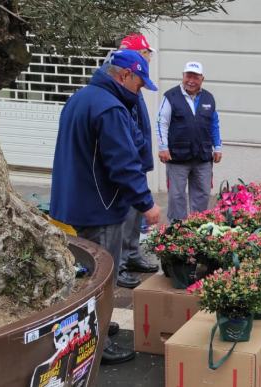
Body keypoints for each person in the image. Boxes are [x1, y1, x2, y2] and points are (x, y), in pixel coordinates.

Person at [50, 49, 162, 365]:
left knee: (88, 275)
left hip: (78, 201)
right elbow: (124, 165)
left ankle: (96, 325)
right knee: (101, 280)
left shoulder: (82, 97)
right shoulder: (110, 108)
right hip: (100, 207)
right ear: (124, 75)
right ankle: (94, 343)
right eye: (139, 84)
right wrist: (147, 204)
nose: (139, 92)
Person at [115, 33, 160, 280]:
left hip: (137, 159)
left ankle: (131, 254)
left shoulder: (135, 80)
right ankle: (119, 263)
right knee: (124, 213)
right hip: (128, 160)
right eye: (146, 53)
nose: (149, 58)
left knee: (134, 214)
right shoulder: (122, 82)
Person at [156, 61, 222, 222]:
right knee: (176, 196)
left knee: (202, 194)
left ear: (202, 79)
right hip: (177, 157)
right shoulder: (170, 96)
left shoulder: (209, 98)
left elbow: (214, 124)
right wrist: (163, 147)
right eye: (188, 76)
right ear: (183, 76)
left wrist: (218, 146)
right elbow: (161, 122)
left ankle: (197, 228)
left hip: (203, 157)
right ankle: (176, 231)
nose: (191, 80)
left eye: (195, 77)